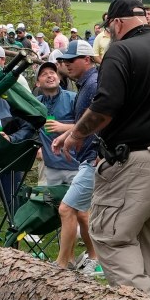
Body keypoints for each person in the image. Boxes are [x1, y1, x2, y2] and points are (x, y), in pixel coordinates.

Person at [48, 0, 150, 300]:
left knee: (110, 234)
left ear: (116, 23)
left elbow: (105, 107)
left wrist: (76, 134)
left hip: (140, 158)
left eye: (110, 27)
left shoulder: (120, 50)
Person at [44, 39, 101, 271]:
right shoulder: (86, 84)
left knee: (67, 209)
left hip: (95, 158)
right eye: (63, 60)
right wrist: (66, 138)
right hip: (89, 157)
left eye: (70, 60)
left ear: (87, 59)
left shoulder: (94, 84)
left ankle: (63, 263)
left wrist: (97, 150)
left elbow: (101, 120)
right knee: (80, 211)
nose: (65, 64)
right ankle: (89, 258)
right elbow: (82, 123)